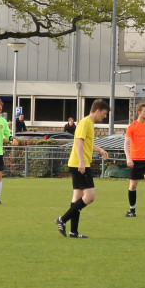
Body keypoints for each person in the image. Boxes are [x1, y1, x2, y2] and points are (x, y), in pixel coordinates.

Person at [55, 99, 110, 239]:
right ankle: (62, 219)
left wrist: (100, 150)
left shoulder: (90, 124)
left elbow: (87, 144)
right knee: (90, 196)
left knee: (77, 198)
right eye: (104, 113)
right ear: (97, 111)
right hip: (80, 164)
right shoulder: (85, 123)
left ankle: (73, 231)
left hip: (79, 163)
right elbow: (78, 142)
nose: (105, 116)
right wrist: (81, 161)